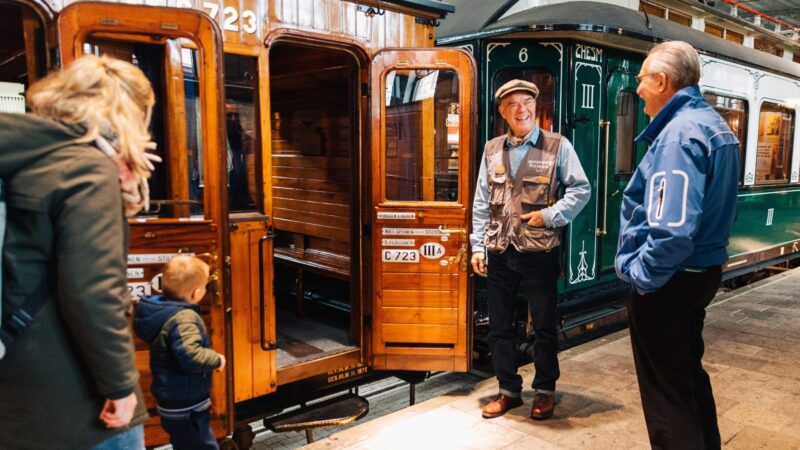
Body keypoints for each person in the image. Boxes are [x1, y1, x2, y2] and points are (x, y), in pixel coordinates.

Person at [0, 55, 158, 448]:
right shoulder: (85, 169)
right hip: (78, 396)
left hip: (18, 384)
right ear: (125, 112)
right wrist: (120, 386)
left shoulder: (25, 154)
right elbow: (94, 290)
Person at [616, 41, 739, 450]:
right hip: (700, 272)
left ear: (663, 81)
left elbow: (672, 230)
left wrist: (642, 277)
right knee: (687, 376)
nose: (637, 89)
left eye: (641, 80)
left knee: (665, 392)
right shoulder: (713, 125)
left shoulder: (677, 137)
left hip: (669, 280)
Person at [470, 79, 590, 420]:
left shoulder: (557, 145)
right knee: (498, 327)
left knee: (544, 326)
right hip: (499, 250)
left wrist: (551, 215)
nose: (520, 109)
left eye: (526, 102)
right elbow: (481, 201)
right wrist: (477, 245)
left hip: (539, 252)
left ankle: (545, 391)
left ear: (536, 106)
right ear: (503, 112)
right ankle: (508, 390)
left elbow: (581, 189)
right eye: (512, 104)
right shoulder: (492, 149)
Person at [134, 255, 224, 450]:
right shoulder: (184, 318)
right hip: (187, 403)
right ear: (195, 293)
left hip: (170, 400)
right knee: (203, 445)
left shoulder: (158, 310)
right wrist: (216, 359)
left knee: (183, 443)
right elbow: (190, 355)